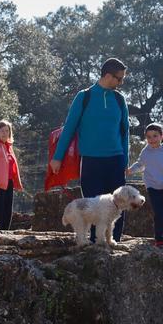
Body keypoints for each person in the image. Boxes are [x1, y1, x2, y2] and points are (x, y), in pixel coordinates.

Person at [49, 58, 130, 242]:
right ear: (108, 76)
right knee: (94, 207)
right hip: (91, 162)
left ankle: (113, 243)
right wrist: (57, 157)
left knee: (118, 205)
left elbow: (125, 131)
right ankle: (95, 246)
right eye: (119, 79)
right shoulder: (83, 97)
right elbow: (69, 128)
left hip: (116, 160)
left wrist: (125, 159)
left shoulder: (119, 99)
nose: (121, 83)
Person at [128, 123, 163, 250]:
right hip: (153, 188)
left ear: (162, 136)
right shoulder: (145, 152)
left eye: (155, 136)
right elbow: (140, 164)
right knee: (158, 214)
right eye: (149, 137)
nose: (152, 139)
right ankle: (159, 240)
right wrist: (130, 170)